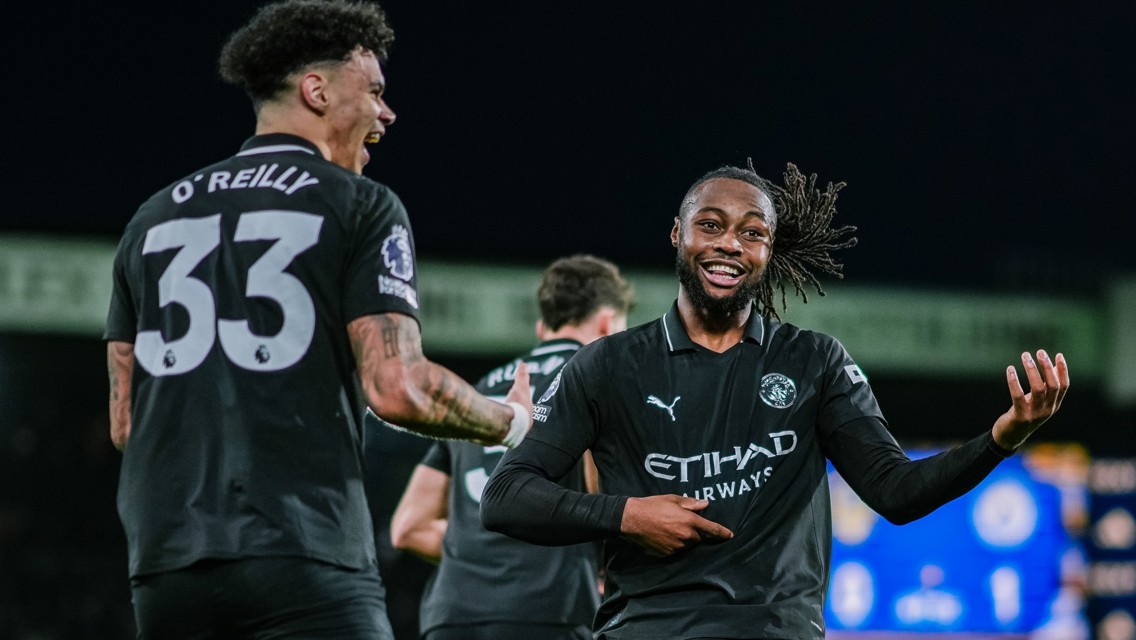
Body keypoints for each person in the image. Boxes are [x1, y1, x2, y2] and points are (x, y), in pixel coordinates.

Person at [481, 161, 1070, 639]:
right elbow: (505, 497)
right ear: (677, 235)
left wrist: (1003, 437)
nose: (729, 244)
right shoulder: (607, 364)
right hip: (648, 628)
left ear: (769, 249)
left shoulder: (815, 361)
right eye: (710, 225)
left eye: (752, 232)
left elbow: (897, 492)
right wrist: (626, 515)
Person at [103, 1, 532, 638]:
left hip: (166, 566)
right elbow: (399, 387)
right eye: (377, 92)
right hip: (303, 554)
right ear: (317, 89)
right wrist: (511, 424)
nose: (387, 113)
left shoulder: (151, 219)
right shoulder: (361, 205)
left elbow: (125, 423)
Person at [387, 254, 635, 640]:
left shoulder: (480, 393)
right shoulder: (594, 378)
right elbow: (606, 489)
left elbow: (408, 527)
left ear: (542, 327)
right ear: (607, 323)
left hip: (451, 615)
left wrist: (485, 554)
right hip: (549, 611)